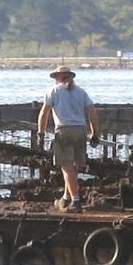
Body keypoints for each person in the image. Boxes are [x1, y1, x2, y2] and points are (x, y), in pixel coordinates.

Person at [37, 66, 99, 213]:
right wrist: (95, 133)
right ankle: (66, 197)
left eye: (55, 78)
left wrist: (40, 133)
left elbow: (44, 114)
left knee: (66, 167)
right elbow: (92, 112)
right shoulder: (81, 92)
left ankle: (76, 202)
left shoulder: (53, 91)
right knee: (74, 167)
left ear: (58, 77)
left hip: (64, 130)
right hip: (81, 130)